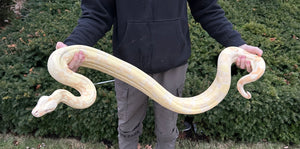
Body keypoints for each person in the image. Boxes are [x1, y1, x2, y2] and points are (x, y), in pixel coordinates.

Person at [55, 0, 263, 148]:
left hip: (173, 63)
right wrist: (72, 48)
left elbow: (207, 9)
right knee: (127, 128)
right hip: (128, 66)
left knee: (166, 132)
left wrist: (237, 44)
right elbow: (96, 15)